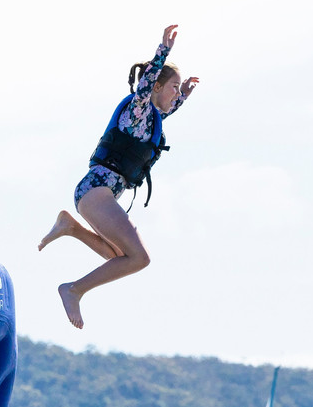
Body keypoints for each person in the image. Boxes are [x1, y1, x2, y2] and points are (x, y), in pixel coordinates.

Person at [38, 24, 199, 329]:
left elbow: (164, 110)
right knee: (140, 258)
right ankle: (73, 290)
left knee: (117, 256)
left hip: (96, 193)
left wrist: (184, 96)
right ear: (155, 87)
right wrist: (163, 51)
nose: (176, 92)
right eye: (173, 86)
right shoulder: (139, 107)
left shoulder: (150, 118)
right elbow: (147, 85)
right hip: (97, 189)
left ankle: (71, 227)